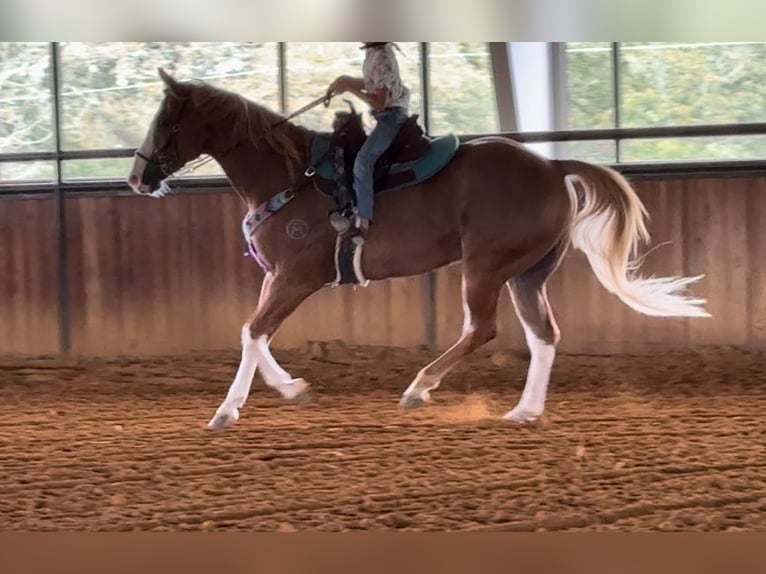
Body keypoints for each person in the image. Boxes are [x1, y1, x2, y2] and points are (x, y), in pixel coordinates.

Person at [326, 42, 411, 244]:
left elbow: (380, 102)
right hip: (384, 115)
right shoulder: (373, 53)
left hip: (391, 116)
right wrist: (346, 81)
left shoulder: (382, 56)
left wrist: (349, 88)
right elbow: (372, 83)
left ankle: (363, 223)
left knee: (363, 162)